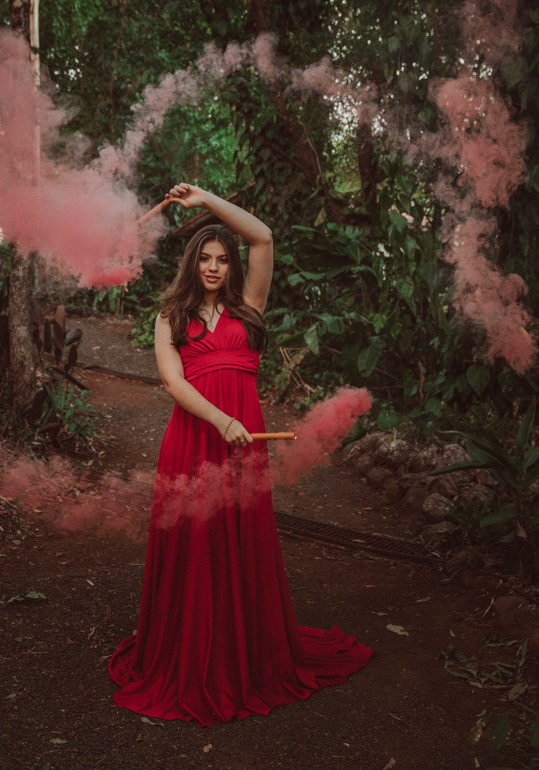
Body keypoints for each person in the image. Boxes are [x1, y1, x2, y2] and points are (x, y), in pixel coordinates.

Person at [109, 183, 372, 726]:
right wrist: (220, 418)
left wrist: (204, 200)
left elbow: (265, 235)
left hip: (244, 440)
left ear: (231, 265)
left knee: (239, 539)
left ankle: (243, 655)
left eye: (221, 258)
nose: (212, 267)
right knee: (197, 545)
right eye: (203, 258)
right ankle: (191, 655)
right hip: (194, 439)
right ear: (191, 263)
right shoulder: (169, 317)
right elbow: (173, 382)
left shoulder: (249, 306)